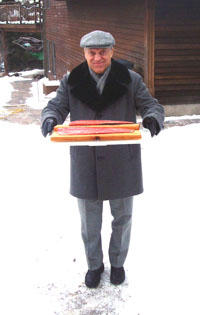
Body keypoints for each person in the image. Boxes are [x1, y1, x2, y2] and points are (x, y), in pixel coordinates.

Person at [41, 30, 165, 288]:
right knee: (89, 221)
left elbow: (151, 105)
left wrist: (153, 118)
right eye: (92, 53)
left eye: (103, 52)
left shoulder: (131, 80)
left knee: (122, 217)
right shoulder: (71, 81)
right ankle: (94, 266)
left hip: (122, 160)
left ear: (112, 51)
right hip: (86, 160)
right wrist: (50, 118)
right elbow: (55, 107)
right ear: (84, 53)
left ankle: (117, 263)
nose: (97, 57)